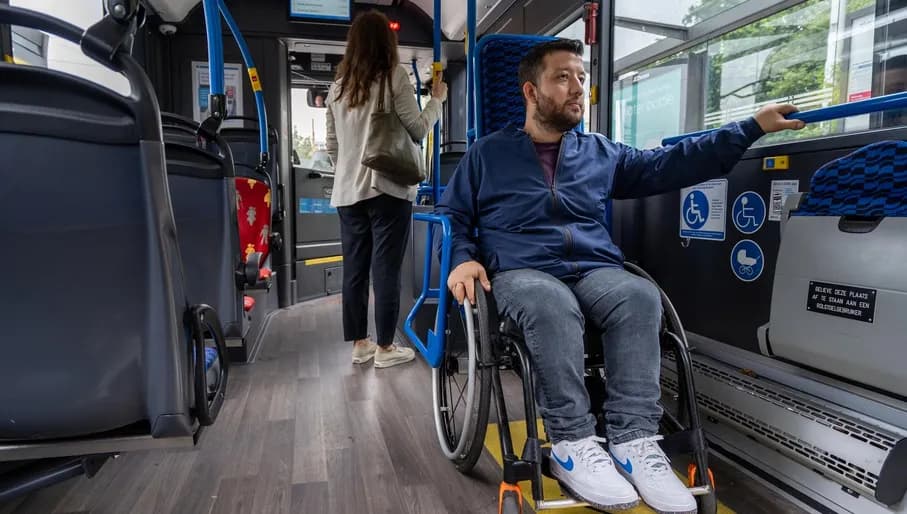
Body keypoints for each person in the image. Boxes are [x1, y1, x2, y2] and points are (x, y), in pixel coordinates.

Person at [437, 38, 804, 513]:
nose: (577, 88)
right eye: (563, 77)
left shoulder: (600, 152)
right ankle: (571, 443)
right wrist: (463, 257)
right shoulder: (487, 155)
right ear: (531, 91)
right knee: (551, 303)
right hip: (522, 271)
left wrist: (748, 127)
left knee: (639, 297)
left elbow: (672, 163)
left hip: (592, 268)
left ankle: (634, 443)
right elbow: (454, 215)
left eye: (582, 78)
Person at [326, 10, 448, 369]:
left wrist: (350, 167)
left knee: (355, 270)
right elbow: (417, 128)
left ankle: (360, 344)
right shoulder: (393, 76)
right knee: (386, 269)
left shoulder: (337, 88)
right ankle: (384, 347)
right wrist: (437, 99)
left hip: (347, 193)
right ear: (387, 43)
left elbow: (333, 147)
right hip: (386, 188)